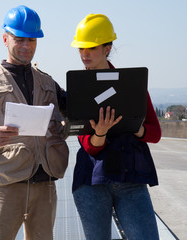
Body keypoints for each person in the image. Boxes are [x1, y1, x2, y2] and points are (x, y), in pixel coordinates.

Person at [0, 5, 68, 240]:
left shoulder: (48, 83)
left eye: (31, 40)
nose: (26, 46)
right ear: (5, 38)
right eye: (19, 39)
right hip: (6, 186)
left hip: (45, 185)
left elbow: (73, 113)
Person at [70, 14, 162, 240]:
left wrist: (134, 127)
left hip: (131, 179)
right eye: (81, 48)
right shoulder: (77, 89)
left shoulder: (133, 85)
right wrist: (99, 133)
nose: (84, 54)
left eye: (91, 47)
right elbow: (88, 146)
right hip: (92, 182)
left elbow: (155, 133)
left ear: (107, 48)